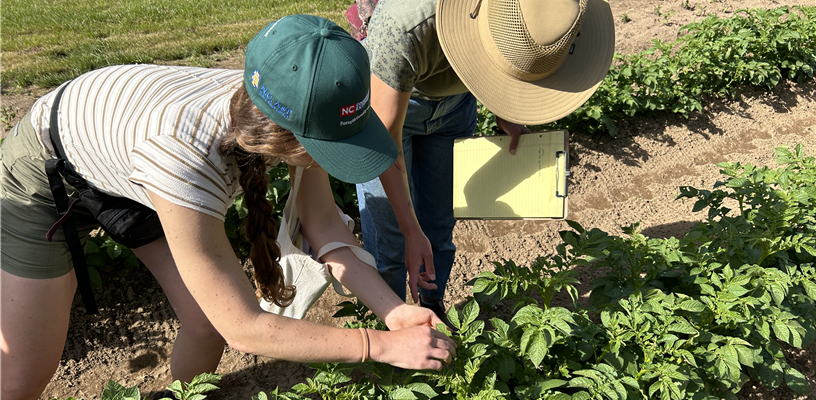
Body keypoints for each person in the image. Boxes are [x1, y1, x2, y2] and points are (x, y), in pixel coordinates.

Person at [0, 15, 457, 400]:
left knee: (203, 322)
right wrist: (376, 346)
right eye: (331, 149)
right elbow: (245, 326)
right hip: (47, 173)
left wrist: (393, 313)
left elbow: (325, 231)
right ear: (288, 139)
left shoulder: (289, 110)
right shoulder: (182, 161)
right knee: (24, 377)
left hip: (126, 156)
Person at [355, 0, 616, 317]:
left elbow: (491, 52)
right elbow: (384, 145)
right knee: (391, 234)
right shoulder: (405, 23)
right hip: (391, 103)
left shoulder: (543, 16)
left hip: (454, 108)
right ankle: (390, 321)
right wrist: (410, 229)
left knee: (439, 224)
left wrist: (504, 106)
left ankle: (431, 306)